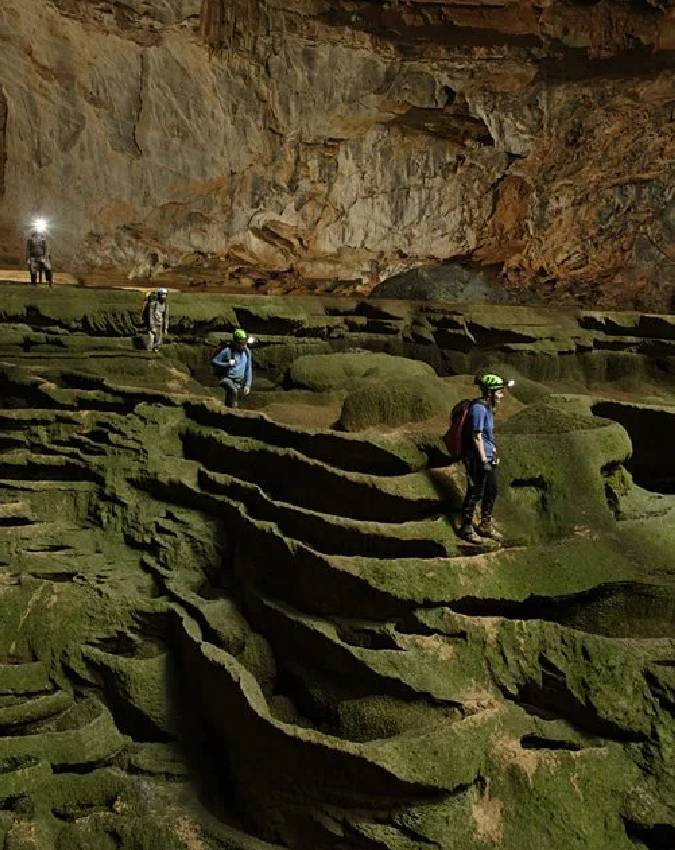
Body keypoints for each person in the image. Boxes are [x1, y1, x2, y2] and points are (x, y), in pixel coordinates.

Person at [458, 372, 508, 544]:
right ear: (490, 393)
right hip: (478, 458)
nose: (502, 396)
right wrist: (483, 460)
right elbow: (476, 435)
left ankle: (485, 524)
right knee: (475, 492)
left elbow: (487, 436)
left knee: (491, 490)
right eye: (499, 392)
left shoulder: (487, 408)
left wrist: (492, 454)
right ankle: (466, 527)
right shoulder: (478, 409)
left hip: (488, 457)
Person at [211, 328, 253, 408]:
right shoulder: (227, 351)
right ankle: (233, 411)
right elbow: (214, 362)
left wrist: (247, 385)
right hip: (226, 378)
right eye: (242, 344)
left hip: (238, 382)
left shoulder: (247, 352)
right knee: (233, 391)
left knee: (232, 396)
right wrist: (227, 364)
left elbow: (248, 369)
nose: (244, 346)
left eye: (245, 343)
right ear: (236, 343)